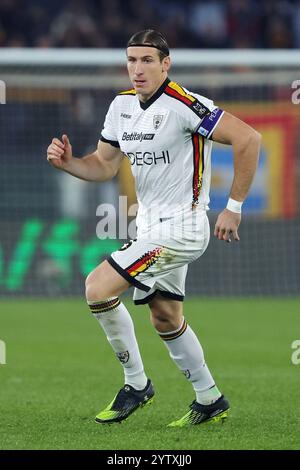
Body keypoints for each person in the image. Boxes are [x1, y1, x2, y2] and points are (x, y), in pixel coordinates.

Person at [47, 29, 261, 427]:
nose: (138, 69)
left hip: (182, 228)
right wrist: (70, 164)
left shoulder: (186, 105)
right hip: (149, 227)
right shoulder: (121, 107)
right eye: (132, 60)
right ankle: (210, 398)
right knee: (164, 316)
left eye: (147, 60)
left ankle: (136, 384)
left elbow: (249, 138)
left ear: (166, 64)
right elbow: (105, 164)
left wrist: (234, 208)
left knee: (97, 287)